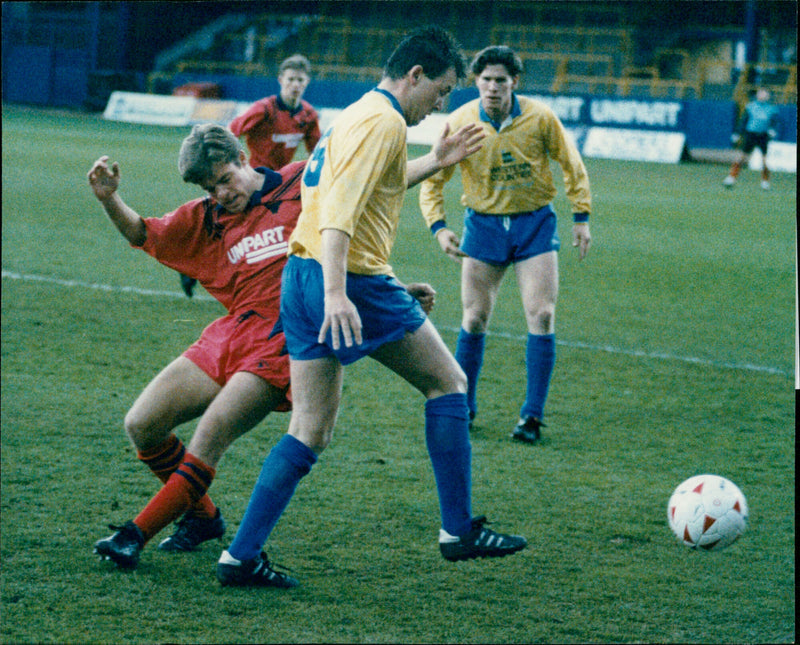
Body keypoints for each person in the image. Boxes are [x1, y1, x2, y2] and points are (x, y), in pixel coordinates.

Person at [215, 26, 527, 589]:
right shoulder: (383, 124)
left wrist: (436, 160)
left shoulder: (360, 112)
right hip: (347, 279)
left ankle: (240, 556)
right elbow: (339, 209)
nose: (443, 104)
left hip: (300, 275)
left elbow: (364, 189)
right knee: (449, 384)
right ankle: (458, 530)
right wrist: (342, 292)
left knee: (309, 429)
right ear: (414, 75)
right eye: (441, 90)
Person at [88, 124, 304, 578]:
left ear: (244, 157)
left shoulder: (300, 183)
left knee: (210, 434)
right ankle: (204, 518)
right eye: (211, 187)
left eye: (225, 179)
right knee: (143, 424)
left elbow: (357, 215)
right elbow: (143, 233)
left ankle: (133, 535)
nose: (221, 193)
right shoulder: (204, 216)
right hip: (233, 331)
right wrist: (109, 199)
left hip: (285, 337)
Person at [419, 46, 592, 445]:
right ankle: (465, 406)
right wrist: (440, 227)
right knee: (475, 317)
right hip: (483, 226)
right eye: (486, 79)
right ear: (476, 82)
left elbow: (572, 163)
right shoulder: (460, 121)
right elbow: (433, 177)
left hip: (534, 223)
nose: (493, 87)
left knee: (542, 314)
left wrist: (580, 216)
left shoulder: (540, 118)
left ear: (515, 82)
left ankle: (531, 417)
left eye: (501, 80)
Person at [178, 54, 321, 298]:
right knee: (228, 230)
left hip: (280, 184)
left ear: (307, 82)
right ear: (280, 80)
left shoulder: (308, 115)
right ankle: (190, 268)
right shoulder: (264, 109)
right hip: (248, 182)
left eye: (300, 80)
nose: (295, 84)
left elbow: (317, 151)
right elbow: (230, 134)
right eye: (291, 79)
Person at [723, 87, 780, 190]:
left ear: (768, 96)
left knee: (765, 160)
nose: (762, 96)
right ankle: (731, 177)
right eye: (760, 93)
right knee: (741, 157)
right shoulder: (751, 106)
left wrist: (773, 129)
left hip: (763, 136)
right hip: (751, 134)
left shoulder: (771, 109)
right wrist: (738, 133)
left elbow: (775, 122)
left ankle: (765, 182)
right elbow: (744, 120)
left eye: (764, 94)